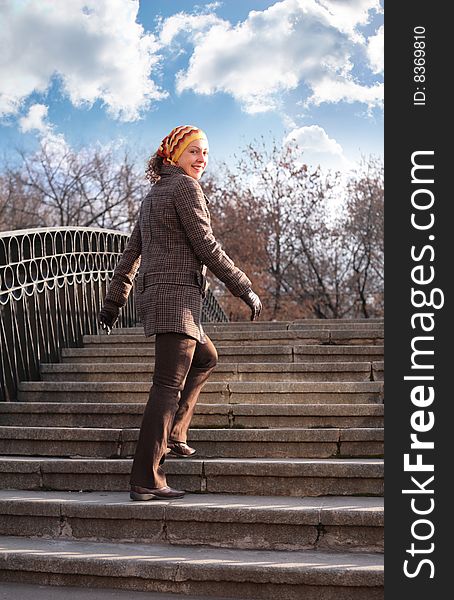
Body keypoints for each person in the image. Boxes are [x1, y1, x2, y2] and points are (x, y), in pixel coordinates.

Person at [98, 125, 262, 502]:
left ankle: (175, 432)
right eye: (194, 152)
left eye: (205, 152)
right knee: (166, 387)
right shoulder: (186, 188)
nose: (202, 159)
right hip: (177, 301)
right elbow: (206, 244)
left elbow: (130, 255)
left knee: (206, 357)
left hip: (159, 297)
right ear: (174, 155)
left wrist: (113, 303)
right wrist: (243, 287)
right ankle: (147, 477)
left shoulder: (153, 194)